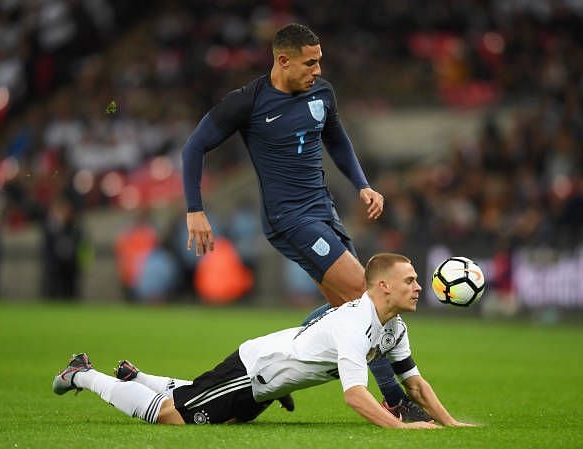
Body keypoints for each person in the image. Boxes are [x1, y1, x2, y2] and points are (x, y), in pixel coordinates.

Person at [181, 22, 422, 419]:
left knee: (348, 313)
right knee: (366, 301)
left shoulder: (322, 94)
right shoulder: (248, 102)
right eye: (310, 63)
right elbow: (194, 147)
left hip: (324, 211)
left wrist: (362, 185)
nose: (318, 71)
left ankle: (276, 375)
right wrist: (195, 209)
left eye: (320, 61)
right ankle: (396, 402)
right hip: (289, 219)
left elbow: (337, 139)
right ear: (282, 61)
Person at [52, 253, 474, 429]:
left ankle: (137, 376)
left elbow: (414, 383)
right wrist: (403, 430)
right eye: (411, 280)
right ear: (382, 286)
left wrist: (451, 424)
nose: (420, 287)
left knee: (199, 398)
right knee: (172, 417)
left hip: (269, 382)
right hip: (256, 370)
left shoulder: (394, 327)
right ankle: (82, 375)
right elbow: (355, 396)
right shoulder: (354, 323)